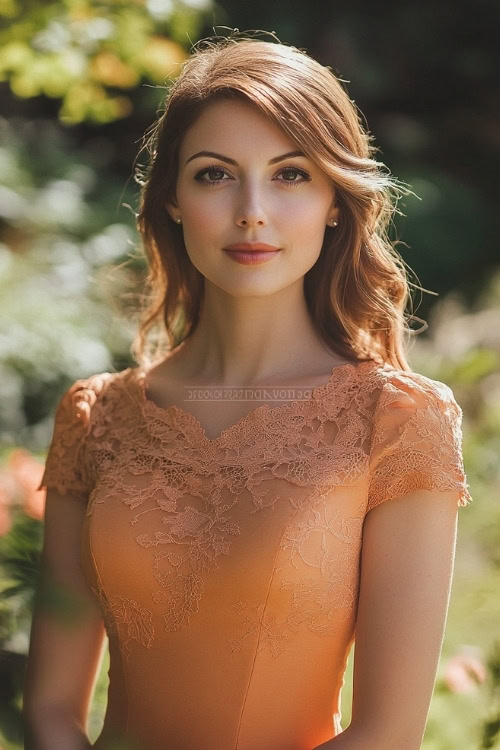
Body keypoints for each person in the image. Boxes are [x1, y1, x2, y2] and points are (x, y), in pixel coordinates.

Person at [22, 30, 472, 750]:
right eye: (215, 174)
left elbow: (388, 734)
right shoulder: (94, 417)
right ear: (171, 197)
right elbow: (49, 710)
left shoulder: (398, 421)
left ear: (335, 200)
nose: (252, 211)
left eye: (291, 174)